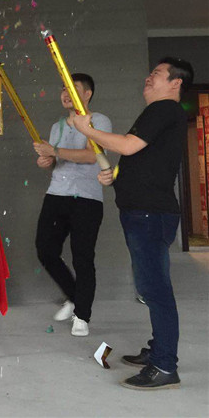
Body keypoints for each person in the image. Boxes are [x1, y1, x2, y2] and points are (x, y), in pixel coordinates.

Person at [72, 58, 194, 390]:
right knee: (151, 287)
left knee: (155, 290)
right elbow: (144, 159)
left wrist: (87, 129)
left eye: (157, 74)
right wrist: (115, 175)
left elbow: (128, 145)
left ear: (175, 83)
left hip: (149, 213)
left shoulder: (164, 109)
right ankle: (159, 348)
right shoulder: (160, 112)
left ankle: (165, 366)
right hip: (144, 211)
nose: (148, 77)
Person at [33, 73, 112, 337]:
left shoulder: (98, 121)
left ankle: (82, 315)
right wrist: (47, 161)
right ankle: (74, 296)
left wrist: (54, 152)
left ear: (87, 94)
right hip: (56, 195)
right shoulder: (57, 126)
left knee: (82, 257)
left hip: (87, 199)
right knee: (46, 250)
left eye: (73, 88)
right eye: (64, 88)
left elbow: (92, 155)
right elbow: (56, 162)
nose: (66, 93)